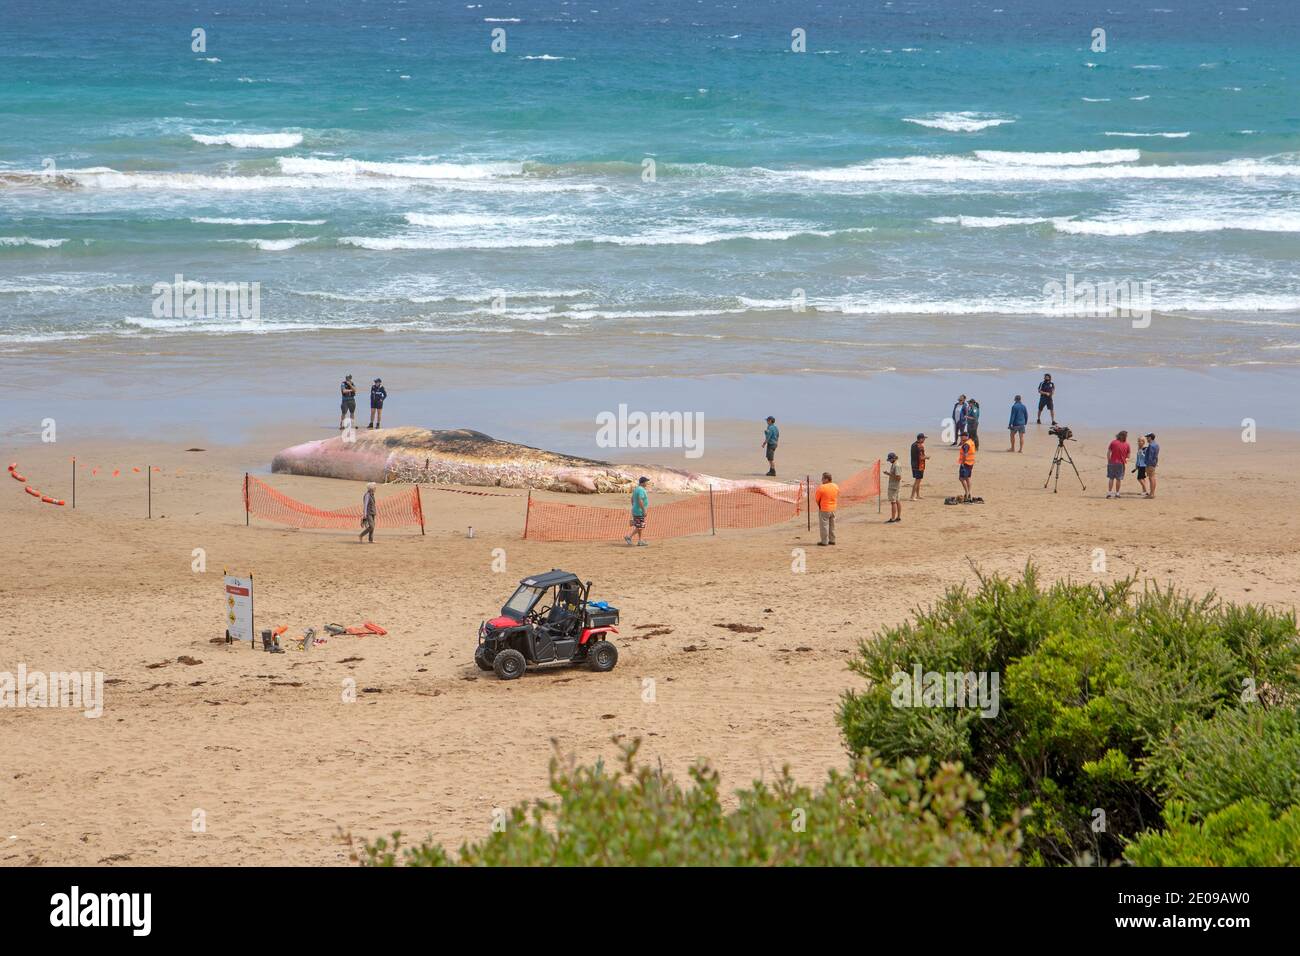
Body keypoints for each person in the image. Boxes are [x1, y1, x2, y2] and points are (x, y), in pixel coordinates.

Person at [624, 476, 650, 546]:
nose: (647, 483)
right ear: (643, 483)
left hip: (636, 510)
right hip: (639, 511)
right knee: (640, 526)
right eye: (646, 482)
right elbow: (640, 500)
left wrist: (634, 507)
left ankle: (640, 540)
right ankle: (629, 537)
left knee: (639, 526)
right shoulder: (641, 489)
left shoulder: (636, 489)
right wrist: (643, 510)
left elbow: (632, 499)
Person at [814, 471, 838, 545]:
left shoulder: (822, 487)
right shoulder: (835, 486)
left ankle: (824, 541)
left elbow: (817, 499)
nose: (822, 480)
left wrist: (820, 505)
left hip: (824, 509)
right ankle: (832, 540)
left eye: (823, 479)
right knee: (832, 525)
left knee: (824, 526)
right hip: (833, 508)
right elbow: (837, 494)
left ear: (827, 479)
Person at [1106, 430, 1131, 498]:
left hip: (1112, 462)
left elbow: (1108, 453)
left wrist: (1109, 460)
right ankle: (1117, 493)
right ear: (1124, 436)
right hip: (1120, 464)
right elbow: (1128, 456)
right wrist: (1125, 458)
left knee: (1111, 478)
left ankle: (1109, 493)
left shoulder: (1113, 442)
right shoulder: (1127, 444)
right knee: (1118, 479)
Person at [884, 452, 903, 523]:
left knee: (893, 502)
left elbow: (898, 477)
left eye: (890, 459)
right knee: (897, 501)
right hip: (895, 486)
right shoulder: (895, 463)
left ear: (893, 458)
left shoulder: (896, 465)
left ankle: (892, 518)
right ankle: (898, 517)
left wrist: (889, 474)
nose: (889, 461)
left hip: (894, 486)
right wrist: (889, 474)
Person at [958, 431, 976, 501]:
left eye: (962, 436)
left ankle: (967, 493)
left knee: (961, 478)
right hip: (971, 462)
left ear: (965, 436)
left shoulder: (966, 444)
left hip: (965, 463)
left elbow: (965, 454)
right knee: (968, 478)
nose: (961, 438)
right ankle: (969, 492)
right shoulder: (971, 442)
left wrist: (962, 462)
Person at [909, 432, 928, 500]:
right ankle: (912, 496)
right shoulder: (920, 446)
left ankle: (918, 495)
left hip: (913, 465)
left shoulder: (913, 445)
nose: (924, 440)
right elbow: (921, 457)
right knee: (917, 481)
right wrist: (927, 457)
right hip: (919, 465)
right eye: (923, 439)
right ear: (920, 439)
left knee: (918, 480)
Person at [1144, 433, 1160, 499]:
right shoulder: (1156, 444)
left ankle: (1151, 494)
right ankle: (1152, 493)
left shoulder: (1151, 445)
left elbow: (1150, 457)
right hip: (1154, 463)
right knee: (1152, 478)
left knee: (1151, 478)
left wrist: (1148, 465)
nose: (1146, 439)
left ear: (1150, 438)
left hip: (1150, 464)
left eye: (1147, 437)